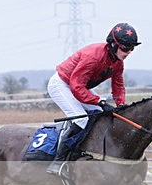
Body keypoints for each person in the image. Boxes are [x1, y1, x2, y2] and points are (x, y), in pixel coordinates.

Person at [45, 22, 141, 174]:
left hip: (78, 87)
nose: (129, 52)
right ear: (113, 44)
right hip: (62, 85)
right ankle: (59, 161)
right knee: (81, 119)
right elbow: (76, 87)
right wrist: (99, 101)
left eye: (132, 48)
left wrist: (121, 104)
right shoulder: (93, 57)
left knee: (102, 115)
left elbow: (118, 86)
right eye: (126, 48)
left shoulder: (118, 63)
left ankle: (89, 151)